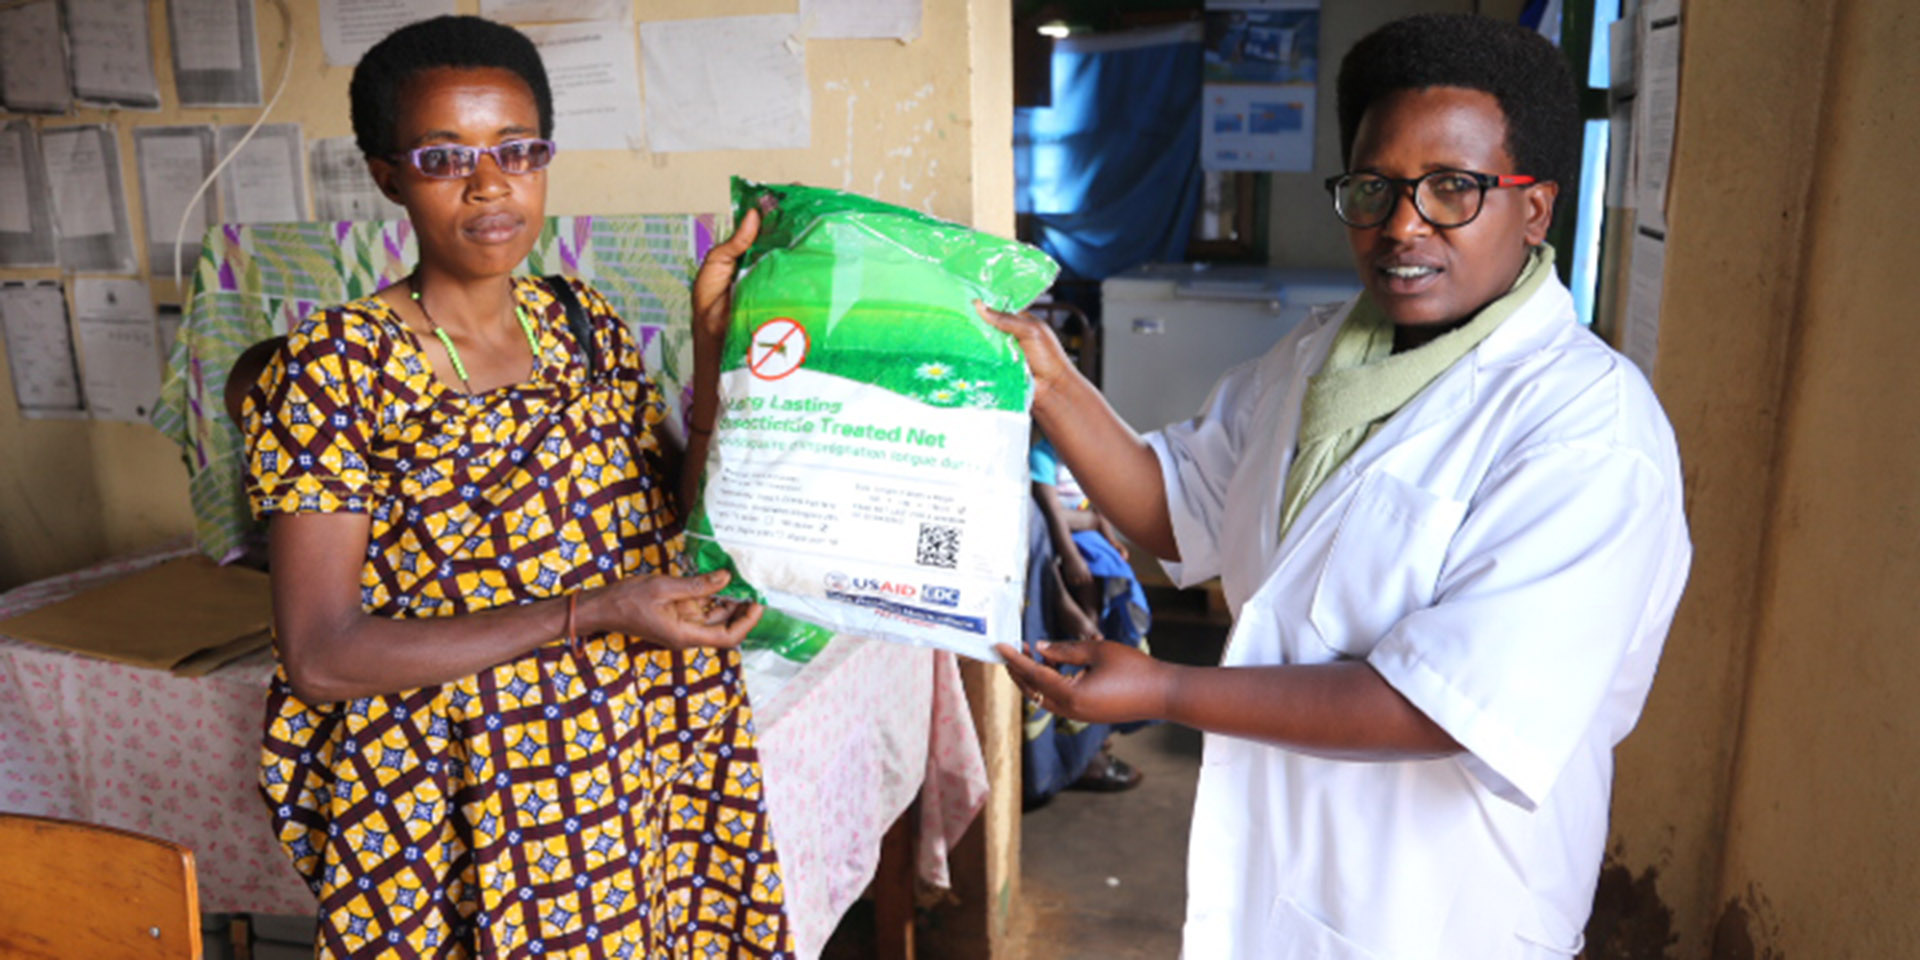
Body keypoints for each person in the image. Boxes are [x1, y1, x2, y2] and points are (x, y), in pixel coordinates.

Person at [985, 14, 1691, 959]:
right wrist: (1050, 383)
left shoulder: (1589, 431)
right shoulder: (1319, 356)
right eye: (1376, 188)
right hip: (1288, 880)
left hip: (1441, 910)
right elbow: (1173, 506)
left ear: (1535, 209)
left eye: (1453, 188)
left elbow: (1437, 705)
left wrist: (1165, 687)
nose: (1403, 225)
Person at [239, 16, 793, 958]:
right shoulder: (334, 368)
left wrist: (711, 348)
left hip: (636, 747)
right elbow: (323, 657)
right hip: (468, 788)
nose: (490, 183)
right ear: (386, 174)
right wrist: (596, 611)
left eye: (517, 150)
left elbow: (673, 521)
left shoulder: (579, 322)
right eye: (443, 156)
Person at [1022, 430, 1150, 804]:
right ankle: (1073, 755)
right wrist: (1088, 525)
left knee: (1108, 605)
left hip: (1066, 554)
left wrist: (1100, 528)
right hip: (1051, 566)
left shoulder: (1075, 455)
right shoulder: (1040, 460)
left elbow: (1091, 510)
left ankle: (1090, 739)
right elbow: (1046, 515)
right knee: (1063, 645)